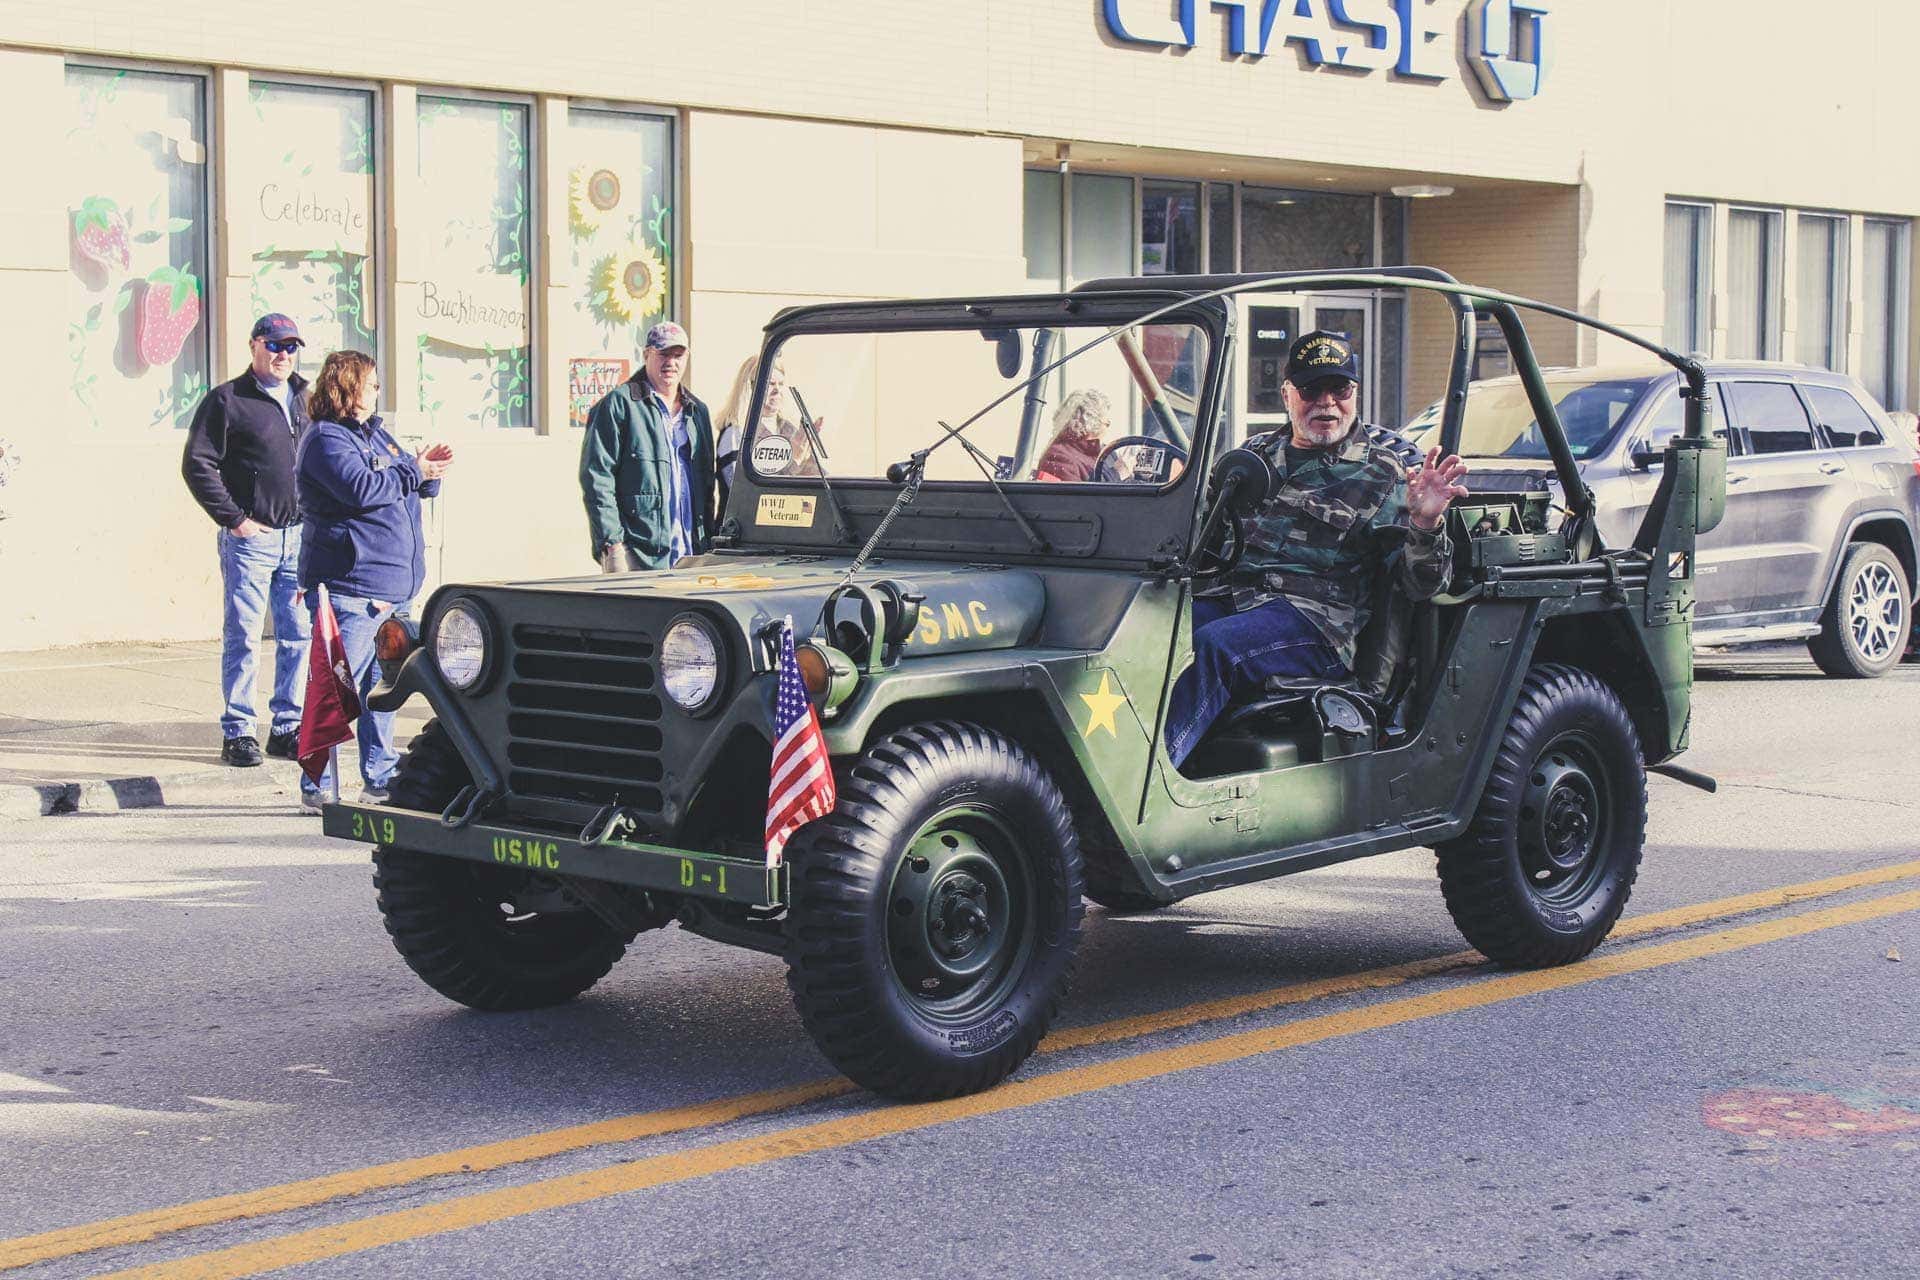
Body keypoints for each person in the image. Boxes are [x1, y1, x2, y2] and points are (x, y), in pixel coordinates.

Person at [1165, 331, 1469, 768]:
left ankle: (1151, 783)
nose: (1326, 402)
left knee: (1217, 647)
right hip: (1233, 598)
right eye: (1311, 389)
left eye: (1339, 389)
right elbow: (1205, 537)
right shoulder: (1254, 456)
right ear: (1287, 393)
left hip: (1315, 623)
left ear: (1355, 394)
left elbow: (1423, 586)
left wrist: (1425, 521)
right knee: (1156, 632)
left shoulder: (1385, 475)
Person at [295, 351, 453, 811]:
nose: (377, 391)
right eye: (372, 383)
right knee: (335, 688)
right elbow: (362, 489)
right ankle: (314, 781)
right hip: (350, 588)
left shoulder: (377, 435)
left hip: (391, 589)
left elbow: (403, 476)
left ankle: (379, 775)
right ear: (348, 386)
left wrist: (429, 473)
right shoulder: (325, 439)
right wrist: (411, 471)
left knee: (382, 690)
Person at [180, 313, 312, 769]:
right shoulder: (227, 400)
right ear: (254, 345)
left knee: (299, 637)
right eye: (275, 345)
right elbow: (198, 464)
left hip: (300, 539)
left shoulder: (307, 398)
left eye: (291, 347)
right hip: (252, 540)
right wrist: (235, 519)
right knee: (245, 636)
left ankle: (287, 727)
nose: (284, 355)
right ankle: (238, 731)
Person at [580, 321, 716, 572]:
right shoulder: (619, 405)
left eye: (678, 355)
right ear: (646, 355)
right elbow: (597, 478)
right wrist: (612, 545)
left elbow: (707, 484)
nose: (671, 362)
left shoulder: (697, 412)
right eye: (663, 354)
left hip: (691, 552)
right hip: (638, 552)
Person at [714, 354, 825, 512]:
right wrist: (793, 460)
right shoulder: (736, 433)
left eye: (781, 384)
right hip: (743, 531)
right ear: (750, 388)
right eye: (770, 384)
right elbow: (743, 493)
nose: (777, 390)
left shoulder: (789, 428)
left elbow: (815, 481)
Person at [1032, 389, 1112, 483]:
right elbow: (1078, 497)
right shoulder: (1058, 457)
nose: (1108, 429)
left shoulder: (1104, 452)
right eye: (1107, 423)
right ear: (1092, 424)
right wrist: (1117, 473)